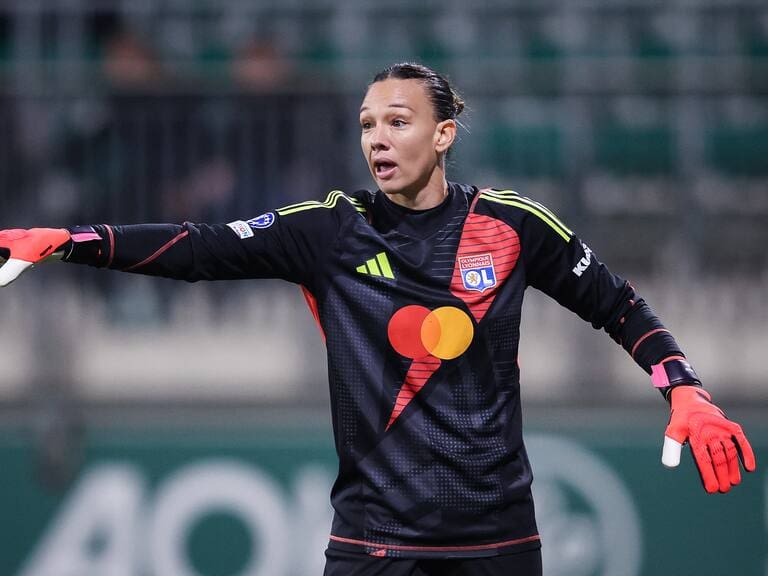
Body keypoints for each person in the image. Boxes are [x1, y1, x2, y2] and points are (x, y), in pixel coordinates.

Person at [0, 63, 756, 576]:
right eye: (367, 124)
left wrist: (683, 387)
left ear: (444, 134)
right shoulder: (329, 230)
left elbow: (618, 303)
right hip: (372, 546)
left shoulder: (512, 225)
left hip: (499, 543)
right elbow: (197, 249)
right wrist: (70, 243)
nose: (377, 139)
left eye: (397, 121)